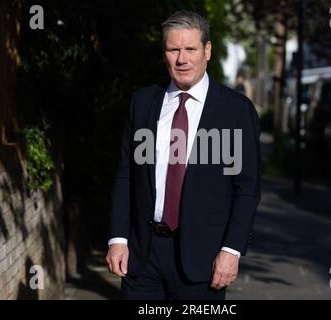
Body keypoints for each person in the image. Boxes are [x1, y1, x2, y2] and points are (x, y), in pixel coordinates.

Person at [106, 10, 261, 300]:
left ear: (208, 50)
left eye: (190, 49)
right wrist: (117, 238)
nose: (182, 59)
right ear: (164, 53)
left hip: (204, 261)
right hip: (143, 257)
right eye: (173, 50)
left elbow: (247, 190)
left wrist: (232, 250)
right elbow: (126, 175)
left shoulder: (236, 111)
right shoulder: (142, 103)